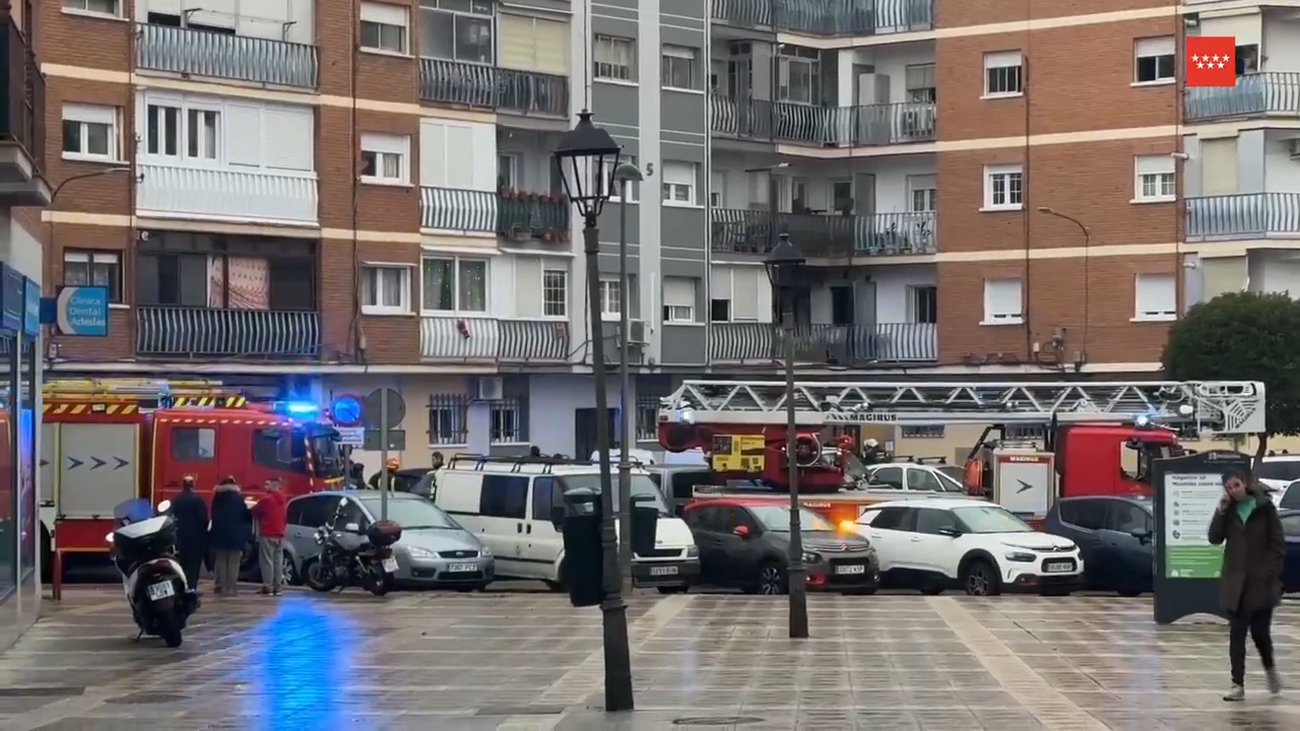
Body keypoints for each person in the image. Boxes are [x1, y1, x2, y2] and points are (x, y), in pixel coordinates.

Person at [1208, 468, 1286, 701]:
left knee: (1261, 634)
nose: (1234, 491)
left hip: (1261, 583)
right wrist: (1220, 512)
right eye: (1229, 488)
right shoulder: (1228, 511)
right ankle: (1237, 684)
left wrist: (1271, 571)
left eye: (1236, 485)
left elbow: (1277, 544)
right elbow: (1214, 538)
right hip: (1236, 583)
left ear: (1245, 484)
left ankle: (1270, 669)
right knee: (1237, 633)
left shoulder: (1265, 509)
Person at [208, 476, 251, 596]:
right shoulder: (238, 498)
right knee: (233, 563)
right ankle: (231, 587)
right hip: (235, 535)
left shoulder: (217, 498)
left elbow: (213, 515)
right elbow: (245, 515)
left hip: (219, 535)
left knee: (221, 562)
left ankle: (221, 586)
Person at [250, 477, 288, 596]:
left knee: (267, 561)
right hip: (280, 534)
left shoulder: (266, 499)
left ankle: (268, 587)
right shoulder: (283, 499)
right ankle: (278, 587)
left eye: (267, 484)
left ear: (273, 485)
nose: (265, 486)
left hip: (268, 533)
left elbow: (255, 511)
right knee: (278, 561)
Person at [170, 475, 209, 592]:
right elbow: (203, 518)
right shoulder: (198, 499)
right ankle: (192, 587)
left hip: (181, 535)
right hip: (196, 537)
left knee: (183, 562)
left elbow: (174, 514)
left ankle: (182, 585)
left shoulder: (177, 499)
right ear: (193, 485)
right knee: (194, 564)